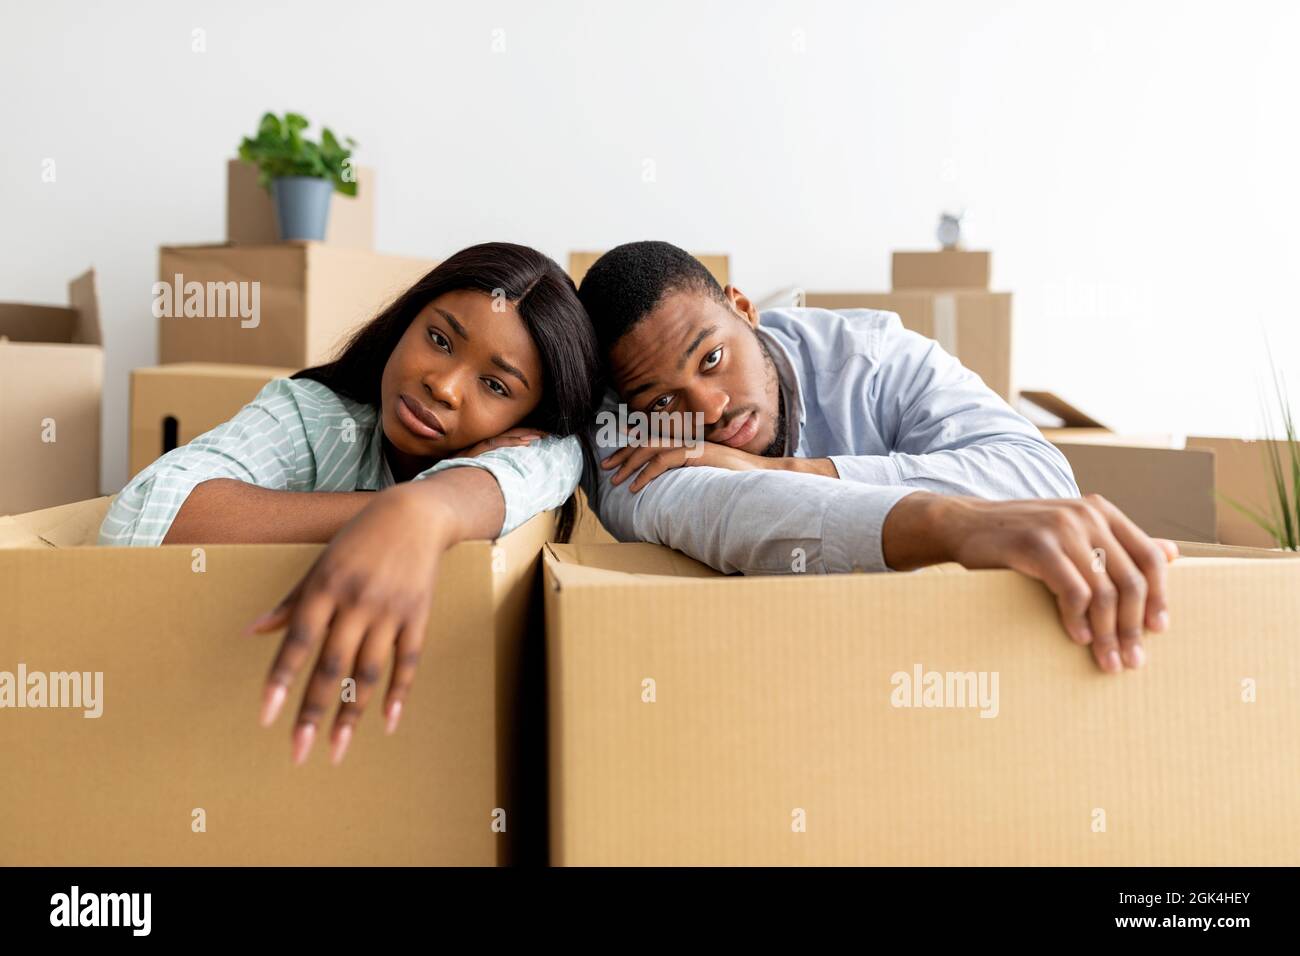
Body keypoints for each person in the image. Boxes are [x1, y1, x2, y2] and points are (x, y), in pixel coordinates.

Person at [100, 242, 599, 765]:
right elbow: (140, 518)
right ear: (404, 321)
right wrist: (395, 510)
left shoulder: (539, 451)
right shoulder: (312, 416)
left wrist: (426, 512)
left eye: (495, 385)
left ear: (529, 420)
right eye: (439, 339)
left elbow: (557, 460)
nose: (444, 386)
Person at [577, 241, 1178, 675]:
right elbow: (723, 512)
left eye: (712, 358)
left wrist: (792, 468)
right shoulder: (625, 432)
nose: (708, 408)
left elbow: (1038, 472)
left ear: (742, 308)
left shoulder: (870, 356)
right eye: (665, 398)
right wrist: (944, 521)